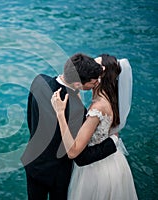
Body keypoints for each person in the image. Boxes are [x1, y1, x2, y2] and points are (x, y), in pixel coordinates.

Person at [21, 53, 119, 200]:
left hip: (33, 162)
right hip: (58, 174)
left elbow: (31, 119)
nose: (96, 83)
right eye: (93, 82)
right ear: (78, 84)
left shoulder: (39, 81)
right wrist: (112, 142)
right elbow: (81, 157)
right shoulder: (78, 111)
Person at [51, 54, 138, 199]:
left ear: (100, 77)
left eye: (96, 67)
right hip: (113, 161)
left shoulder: (97, 109)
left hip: (96, 171)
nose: (92, 67)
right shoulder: (111, 98)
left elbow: (73, 152)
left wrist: (60, 113)